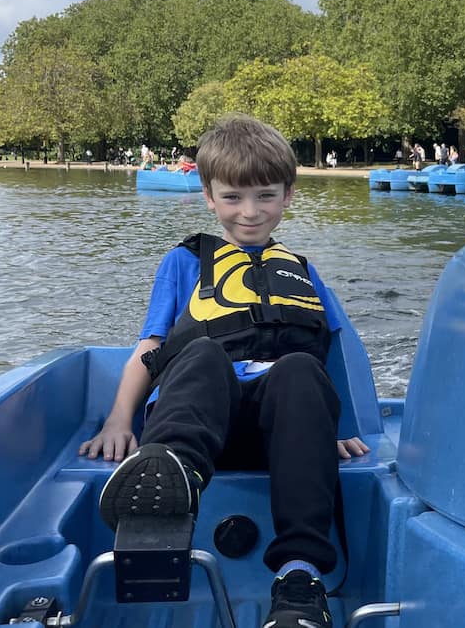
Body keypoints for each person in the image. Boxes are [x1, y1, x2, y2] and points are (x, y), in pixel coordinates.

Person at [78, 115, 365, 628]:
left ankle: (299, 581)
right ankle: (172, 478)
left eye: (265, 196)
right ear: (209, 197)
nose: (250, 212)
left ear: (288, 195)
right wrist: (119, 422)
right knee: (206, 355)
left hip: (279, 432)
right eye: (232, 197)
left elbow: (334, 352)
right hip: (199, 427)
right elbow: (151, 346)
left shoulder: (301, 269)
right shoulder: (187, 261)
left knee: (298, 366)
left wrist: (338, 432)